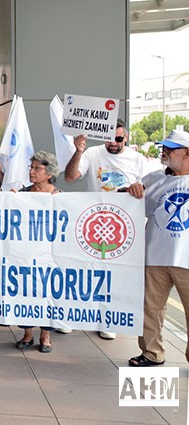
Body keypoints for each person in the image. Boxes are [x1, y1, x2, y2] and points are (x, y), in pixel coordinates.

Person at [64, 118, 145, 339]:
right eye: (109, 139)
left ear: (126, 137)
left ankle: (106, 318)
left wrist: (137, 188)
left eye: (118, 139)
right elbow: (70, 177)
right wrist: (78, 151)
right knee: (82, 270)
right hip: (92, 220)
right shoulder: (92, 153)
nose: (113, 144)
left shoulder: (137, 159)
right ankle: (71, 316)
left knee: (112, 274)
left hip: (119, 226)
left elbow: (148, 187)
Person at [126, 130, 189, 366]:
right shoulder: (153, 179)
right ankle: (151, 353)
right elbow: (129, 206)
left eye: (171, 149)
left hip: (187, 258)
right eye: (165, 147)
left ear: (187, 153)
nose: (165, 152)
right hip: (155, 254)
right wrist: (132, 190)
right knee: (150, 308)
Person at [13, 151, 61, 354]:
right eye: (31, 168)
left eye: (37, 168)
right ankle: (27, 333)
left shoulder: (59, 197)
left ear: (49, 173)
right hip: (27, 253)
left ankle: (45, 335)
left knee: (48, 293)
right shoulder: (23, 194)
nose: (32, 172)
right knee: (26, 292)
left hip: (48, 255)